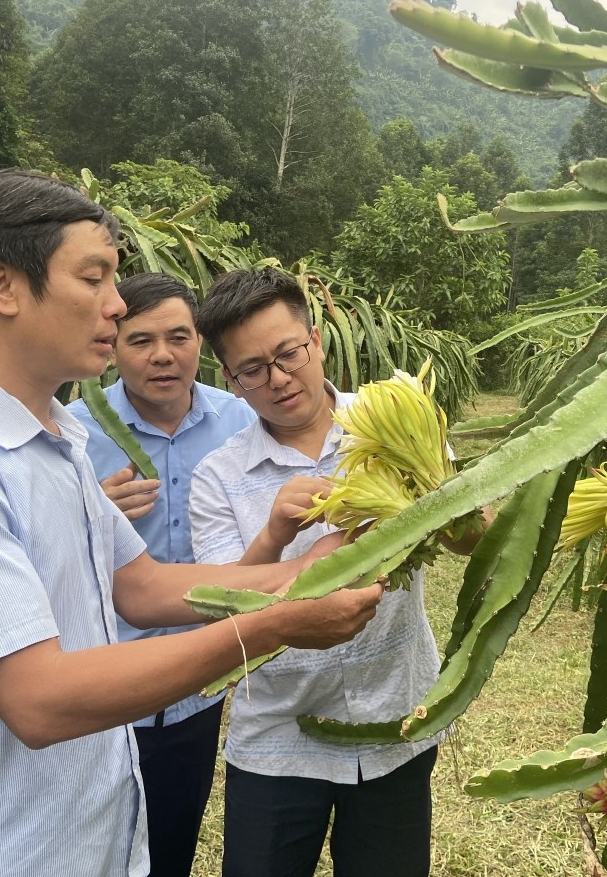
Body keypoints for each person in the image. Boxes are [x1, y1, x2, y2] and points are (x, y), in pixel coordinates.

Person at [0, 170, 382, 877]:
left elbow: (144, 587)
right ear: (2, 285)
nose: (116, 304)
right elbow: (40, 699)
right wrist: (276, 621)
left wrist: (310, 571)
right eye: (93, 277)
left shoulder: (58, 439)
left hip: (86, 840)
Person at [190, 267, 444, 877]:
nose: (278, 379)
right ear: (230, 379)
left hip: (395, 721)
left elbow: (463, 533)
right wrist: (277, 533)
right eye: (252, 370)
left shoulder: (392, 422)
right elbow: (220, 610)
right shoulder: (218, 476)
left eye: (289, 353)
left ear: (317, 340)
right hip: (277, 740)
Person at [70, 272, 256, 877]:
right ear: (111, 348)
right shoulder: (72, 434)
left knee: (171, 843)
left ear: (201, 342)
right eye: (141, 340)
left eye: (178, 336)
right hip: (101, 682)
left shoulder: (244, 422)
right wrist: (84, 515)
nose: (162, 355)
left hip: (195, 684)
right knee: (89, 850)